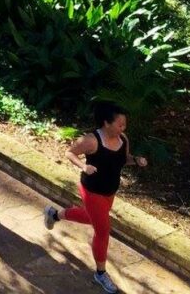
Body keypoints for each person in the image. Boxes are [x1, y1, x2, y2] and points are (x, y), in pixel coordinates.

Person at [43, 104, 147, 294]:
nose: (123, 128)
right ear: (106, 123)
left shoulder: (123, 139)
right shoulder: (91, 141)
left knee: (90, 218)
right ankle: (100, 273)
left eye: (124, 124)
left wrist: (136, 161)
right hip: (92, 191)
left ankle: (54, 214)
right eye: (120, 124)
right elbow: (69, 152)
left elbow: (123, 160)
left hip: (110, 192)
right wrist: (83, 166)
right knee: (102, 230)